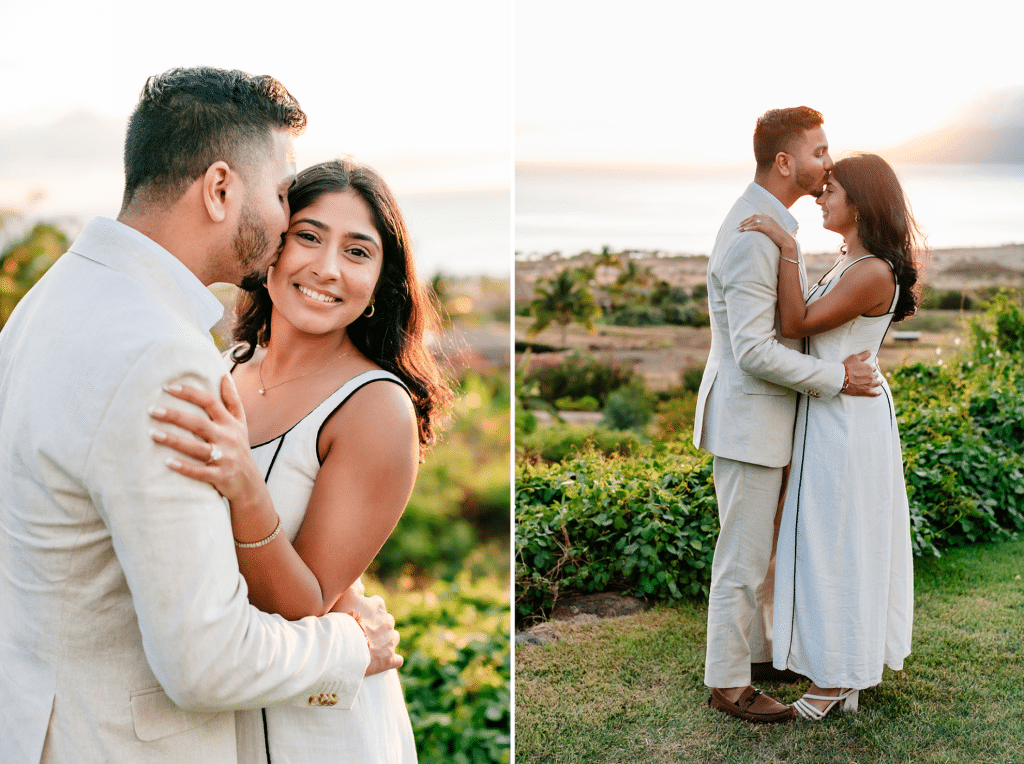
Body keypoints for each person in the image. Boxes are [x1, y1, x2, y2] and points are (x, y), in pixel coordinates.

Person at [0, 68, 402, 763]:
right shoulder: (169, 356)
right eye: (284, 198)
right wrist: (348, 644)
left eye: (357, 250)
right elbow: (206, 661)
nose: (283, 227)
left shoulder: (48, 301)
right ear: (220, 189)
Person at [146, 157, 453, 762]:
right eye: (308, 236)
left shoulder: (373, 406)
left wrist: (244, 487)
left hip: (320, 733)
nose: (327, 268)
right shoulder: (222, 366)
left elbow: (304, 603)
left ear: (380, 284)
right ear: (271, 250)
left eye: (358, 251)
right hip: (215, 718)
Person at [692, 106, 882, 724]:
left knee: (763, 555)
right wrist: (836, 379)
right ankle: (727, 686)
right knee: (742, 560)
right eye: (819, 152)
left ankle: (761, 655)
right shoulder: (754, 234)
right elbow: (752, 351)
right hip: (750, 421)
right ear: (784, 162)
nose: (828, 164)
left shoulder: (773, 226)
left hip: (768, 421)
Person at [738, 152, 919, 720]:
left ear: (860, 204)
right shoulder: (851, 260)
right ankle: (838, 670)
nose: (820, 196)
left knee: (838, 543)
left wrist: (788, 249)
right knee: (826, 540)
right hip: (833, 408)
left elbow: (795, 325)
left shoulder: (873, 271)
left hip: (849, 418)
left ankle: (835, 680)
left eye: (831, 190)